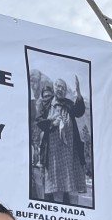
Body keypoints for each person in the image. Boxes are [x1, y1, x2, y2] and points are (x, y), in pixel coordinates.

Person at [36, 76, 87, 205]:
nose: (60, 89)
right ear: (54, 87)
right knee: (57, 187)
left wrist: (78, 92)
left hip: (70, 152)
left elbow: (79, 111)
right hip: (54, 153)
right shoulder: (47, 105)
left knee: (73, 186)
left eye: (63, 88)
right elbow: (40, 122)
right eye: (58, 86)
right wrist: (52, 122)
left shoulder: (68, 104)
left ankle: (75, 211)